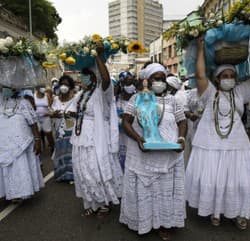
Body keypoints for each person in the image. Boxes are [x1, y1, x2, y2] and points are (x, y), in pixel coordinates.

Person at [185, 38, 250, 230]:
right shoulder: (210, 92)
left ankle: (239, 212)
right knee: (213, 181)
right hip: (211, 144)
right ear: (218, 79)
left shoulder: (241, 92)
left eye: (232, 75)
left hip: (236, 146)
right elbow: (200, 74)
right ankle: (215, 211)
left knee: (239, 181)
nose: (229, 78)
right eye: (224, 75)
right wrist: (201, 48)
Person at [120, 63, 187, 240]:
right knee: (145, 190)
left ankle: (164, 224)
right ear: (147, 80)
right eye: (156, 79)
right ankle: (143, 222)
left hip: (168, 155)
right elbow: (126, 122)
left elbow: (182, 122)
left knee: (164, 190)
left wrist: (181, 138)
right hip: (141, 153)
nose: (160, 82)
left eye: (163, 79)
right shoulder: (137, 99)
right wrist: (138, 138)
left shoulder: (173, 100)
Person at [70, 43, 123, 216]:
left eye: (87, 75)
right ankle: (90, 201)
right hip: (80, 137)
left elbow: (106, 80)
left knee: (96, 168)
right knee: (83, 168)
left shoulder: (102, 92)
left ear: (95, 77)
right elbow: (72, 112)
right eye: (81, 75)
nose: (83, 78)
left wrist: (97, 56)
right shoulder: (80, 94)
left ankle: (104, 202)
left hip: (96, 138)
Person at [0, 86, 44, 201]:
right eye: (4, 87)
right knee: (5, 168)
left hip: (19, 143)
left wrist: (37, 140)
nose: (5, 90)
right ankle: (8, 191)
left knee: (19, 166)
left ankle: (21, 192)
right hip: (1, 143)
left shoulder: (24, 103)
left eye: (8, 88)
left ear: (14, 89)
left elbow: (33, 122)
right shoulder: (0, 103)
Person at [50, 75, 76, 183]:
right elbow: (51, 113)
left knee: (71, 153)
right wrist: (53, 114)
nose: (64, 87)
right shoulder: (56, 99)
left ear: (70, 87)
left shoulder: (75, 99)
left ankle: (72, 175)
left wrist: (72, 114)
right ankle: (61, 174)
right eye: (62, 84)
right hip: (59, 132)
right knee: (60, 152)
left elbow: (80, 114)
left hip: (71, 131)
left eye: (66, 84)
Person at [115, 71, 136, 171]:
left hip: (135, 136)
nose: (131, 86)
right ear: (122, 84)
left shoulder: (139, 99)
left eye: (132, 82)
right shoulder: (116, 100)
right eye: (128, 83)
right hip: (120, 137)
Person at [34, 85, 55, 154]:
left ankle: (53, 148)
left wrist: (49, 113)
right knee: (38, 135)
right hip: (36, 119)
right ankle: (39, 152)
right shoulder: (33, 96)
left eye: (43, 86)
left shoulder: (47, 96)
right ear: (37, 88)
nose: (43, 88)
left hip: (46, 118)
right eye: (41, 87)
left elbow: (51, 107)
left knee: (49, 134)